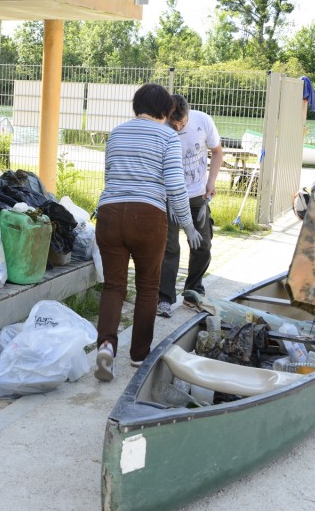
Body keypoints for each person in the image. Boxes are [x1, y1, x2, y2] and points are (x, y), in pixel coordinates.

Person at [93, 84, 201, 382]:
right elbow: (176, 187)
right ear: (166, 111)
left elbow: (110, 175)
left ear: (136, 106)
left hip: (110, 213)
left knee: (114, 286)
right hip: (149, 216)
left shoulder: (116, 133)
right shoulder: (168, 136)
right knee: (148, 287)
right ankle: (139, 355)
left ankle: (105, 346)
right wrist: (188, 225)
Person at [157, 95, 223, 317]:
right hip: (170, 198)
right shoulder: (161, 129)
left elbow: (217, 151)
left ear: (188, 113)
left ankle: (193, 292)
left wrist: (211, 182)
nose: (178, 127)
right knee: (170, 248)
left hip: (197, 196)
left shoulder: (203, 121)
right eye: (173, 124)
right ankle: (164, 299)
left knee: (202, 245)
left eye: (182, 123)